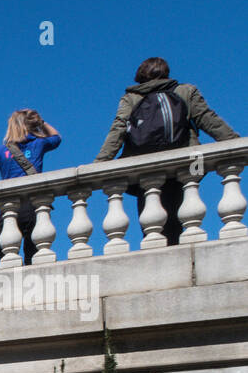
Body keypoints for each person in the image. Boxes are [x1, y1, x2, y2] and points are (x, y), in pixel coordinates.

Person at [94, 57, 239, 247]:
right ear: (166, 72)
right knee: (182, 217)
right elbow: (208, 119)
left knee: (152, 226)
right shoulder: (185, 91)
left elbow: (118, 130)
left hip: (144, 169)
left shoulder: (131, 98)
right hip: (187, 166)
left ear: (141, 75)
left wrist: (99, 163)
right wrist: (236, 142)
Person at [0, 109, 62, 264]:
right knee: (33, 254)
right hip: (33, 205)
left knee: (4, 256)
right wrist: (41, 123)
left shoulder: (2, 150)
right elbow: (57, 138)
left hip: (8, 207)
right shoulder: (39, 144)